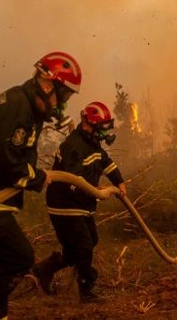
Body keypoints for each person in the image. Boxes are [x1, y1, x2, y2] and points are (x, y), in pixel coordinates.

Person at [0, 51, 82, 320]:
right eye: (64, 96)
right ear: (47, 85)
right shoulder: (18, 108)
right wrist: (37, 178)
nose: (63, 105)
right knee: (18, 257)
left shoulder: (26, 104)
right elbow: (7, 162)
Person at [31, 100, 127, 303]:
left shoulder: (92, 145)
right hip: (65, 205)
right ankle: (87, 288)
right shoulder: (74, 147)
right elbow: (74, 182)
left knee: (90, 241)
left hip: (81, 204)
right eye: (103, 127)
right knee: (83, 246)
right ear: (91, 125)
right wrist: (95, 192)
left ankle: (45, 269)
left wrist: (119, 183)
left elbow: (107, 164)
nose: (105, 132)